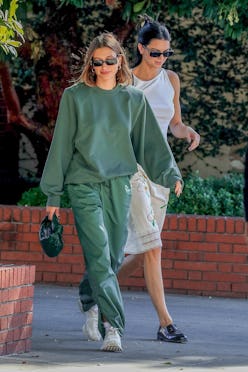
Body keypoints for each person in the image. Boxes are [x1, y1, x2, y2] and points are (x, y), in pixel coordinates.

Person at [40, 32, 183, 352]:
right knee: (99, 253)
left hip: (120, 183)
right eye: (97, 61)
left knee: (114, 254)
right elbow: (61, 146)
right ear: (90, 64)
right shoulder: (74, 97)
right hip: (83, 184)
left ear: (120, 61)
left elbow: (150, 143)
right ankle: (113, 327)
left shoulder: (133, 99)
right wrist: (53, 195)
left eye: (110, 60)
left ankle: (89, 300)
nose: (104, 66)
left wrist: (169, 172)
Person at [118, 16, 200, 343]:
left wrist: (186, 132)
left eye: (166, 54)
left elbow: (175, 123)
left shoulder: (172, 80)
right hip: (131, 170)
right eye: (155, 53)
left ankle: (98, 286)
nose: (161, 60)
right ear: (140, 49)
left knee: (143, 253)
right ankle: (166, 323)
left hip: (160, 173)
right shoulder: (126, 82)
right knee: (154, 246)